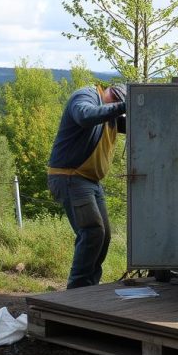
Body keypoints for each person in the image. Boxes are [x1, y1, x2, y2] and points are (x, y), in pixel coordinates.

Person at [47, 82, 127, 289]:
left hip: (89, 180)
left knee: (104, 235)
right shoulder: (85, 96)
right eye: (117, 104)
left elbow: (135, 124)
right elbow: (85, 116)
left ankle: (90, 285)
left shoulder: (111, 116)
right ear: (112, 96)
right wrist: (124, 106)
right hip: (70, 177)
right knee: (92, 231)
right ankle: (77, 290)